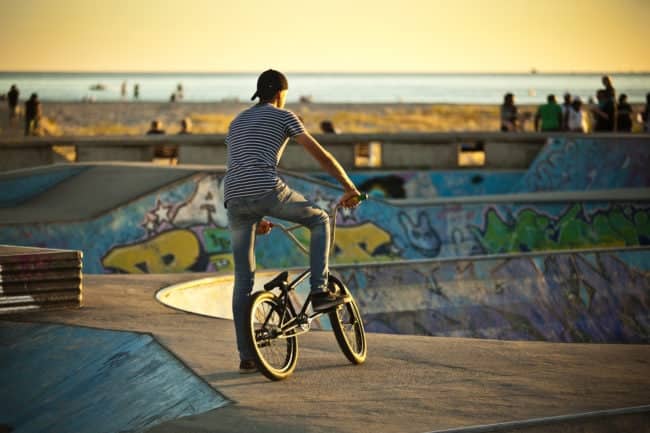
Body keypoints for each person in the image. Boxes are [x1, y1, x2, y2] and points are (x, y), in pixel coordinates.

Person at [224, 69, 362, 373]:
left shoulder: (236, 122)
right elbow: (320, 154)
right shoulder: (284, 116)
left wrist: (253, 215)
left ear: (258, 94)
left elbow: (240, 164)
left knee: (243, 280)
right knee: (319, 220)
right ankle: (318, 291)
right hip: (264, 188)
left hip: (233, 197)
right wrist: (348, 186)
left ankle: (247, 355)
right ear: (280, 94)